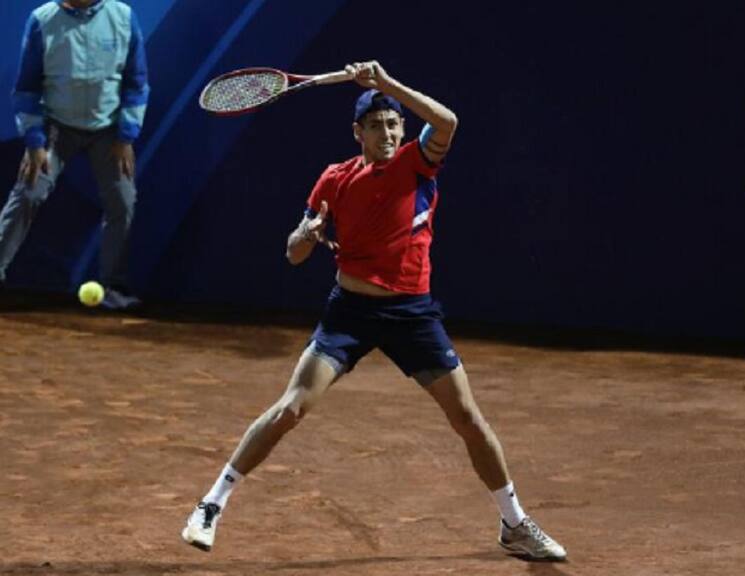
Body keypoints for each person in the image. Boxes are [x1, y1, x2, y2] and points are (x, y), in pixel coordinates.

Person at [182, 61, 567, 561]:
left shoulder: (418, 162)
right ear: (357, 132)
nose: (386, 132)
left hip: (413, 315)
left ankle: (514, 524)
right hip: (349, 313)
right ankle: (211, 504)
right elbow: (294, 254)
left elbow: (447, 122)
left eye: (392, 124)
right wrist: (304, 237)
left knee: (468, 419)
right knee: (291, 407)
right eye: (375, 124)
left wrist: (385, 84)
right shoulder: (334, 179)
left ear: (402, 129)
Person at [0, 0, 149, 309]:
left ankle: (113, 286)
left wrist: (126, 135)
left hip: (109, 130)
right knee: (28, 191)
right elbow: (26, 88)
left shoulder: (123, 17)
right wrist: (35, 141)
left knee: (123, 200)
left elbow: (137, 82)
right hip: (56, 126)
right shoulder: (42, 20)